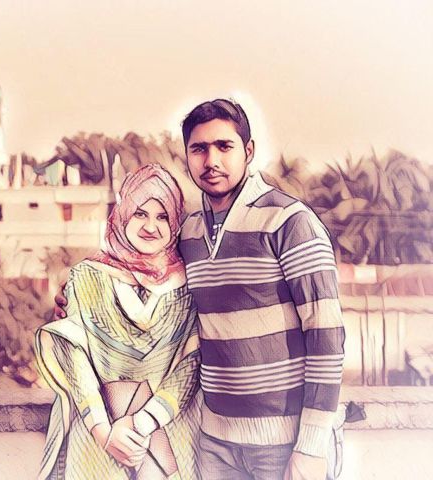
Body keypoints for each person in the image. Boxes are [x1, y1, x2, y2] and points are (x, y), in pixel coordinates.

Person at [56, 98, 345, 480]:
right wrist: (72, 303)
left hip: (284, 444)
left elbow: (327, 337)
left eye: (224, 146)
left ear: (248, 151)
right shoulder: (189, 233)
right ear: (188, 155)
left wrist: (311, 446)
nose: (212, 160)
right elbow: (143, 279)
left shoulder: (290, 222)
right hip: (214, 445)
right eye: (199, 149)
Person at [36, 164, 201, 480]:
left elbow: (190, 364)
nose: (151, 226)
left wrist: (143, 422)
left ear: (175, 223)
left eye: (163, 217)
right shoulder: (87, 276)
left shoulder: (188, 284)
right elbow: (75, 358)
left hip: (167, 432)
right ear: (123, 215)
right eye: (140, 213)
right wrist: (104, 432)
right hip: (97, 440)